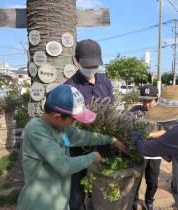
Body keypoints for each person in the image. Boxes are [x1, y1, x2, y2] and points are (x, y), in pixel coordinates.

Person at [17, 84, 126, 210]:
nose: (75, 123)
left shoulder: (59, 127)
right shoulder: (36, 131)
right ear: (57, 116)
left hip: (60, 201)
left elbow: (84, 136)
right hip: (40, 204)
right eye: (73, 119)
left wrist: (111, 140)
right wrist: (92, 157)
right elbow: (64, 166)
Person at [65, 39, 114, 210]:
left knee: (101, 187)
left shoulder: (105, 82)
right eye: (87, 65)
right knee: (77, 191)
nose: (92, 69)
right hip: (78, 148)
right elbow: (68, 125)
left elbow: (111, 111)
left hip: (103, 144)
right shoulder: (69, 87)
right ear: (76, 60)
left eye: (95, 65)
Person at [129, 85, 165, 210]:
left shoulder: (162, 113)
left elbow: (165, 131)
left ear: (157, 99)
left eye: (149, 101)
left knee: (153, 181)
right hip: (138, 152)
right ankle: (134, 200)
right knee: (135, 179)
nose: (146, 104)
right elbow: (127, 127)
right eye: (144, 100)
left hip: (155, 152)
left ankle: (149, 201)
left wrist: (148, 134)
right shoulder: (135, 111)